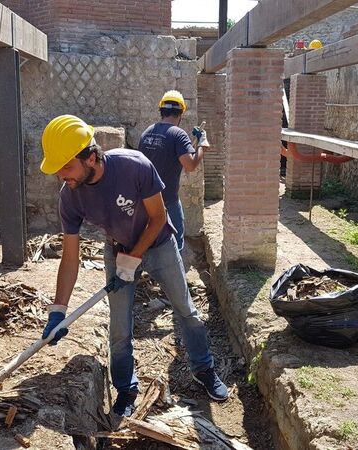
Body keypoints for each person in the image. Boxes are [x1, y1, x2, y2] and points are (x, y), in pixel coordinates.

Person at [38, 115, 228, 417]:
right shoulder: (69, 197)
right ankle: (126, 389)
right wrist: (58, 310)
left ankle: (203, 368)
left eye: (67, 167)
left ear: (90, 157)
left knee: (186, 309)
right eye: (58, 170)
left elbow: (157, 217)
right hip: (119, 250)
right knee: (119, 327)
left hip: (159, 244)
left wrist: (136, 255)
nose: (63, 176)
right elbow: (70, 257)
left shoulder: (134, 166)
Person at [138, 90, 210, 251]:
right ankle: (174, 274)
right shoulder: (178, 135)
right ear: (181, 114)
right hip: (167, 200)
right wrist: (201, 147)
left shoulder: (147, 132)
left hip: (145, 200)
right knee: (175, 242)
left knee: (147, 239)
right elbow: (190, 165)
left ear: (161, 111)